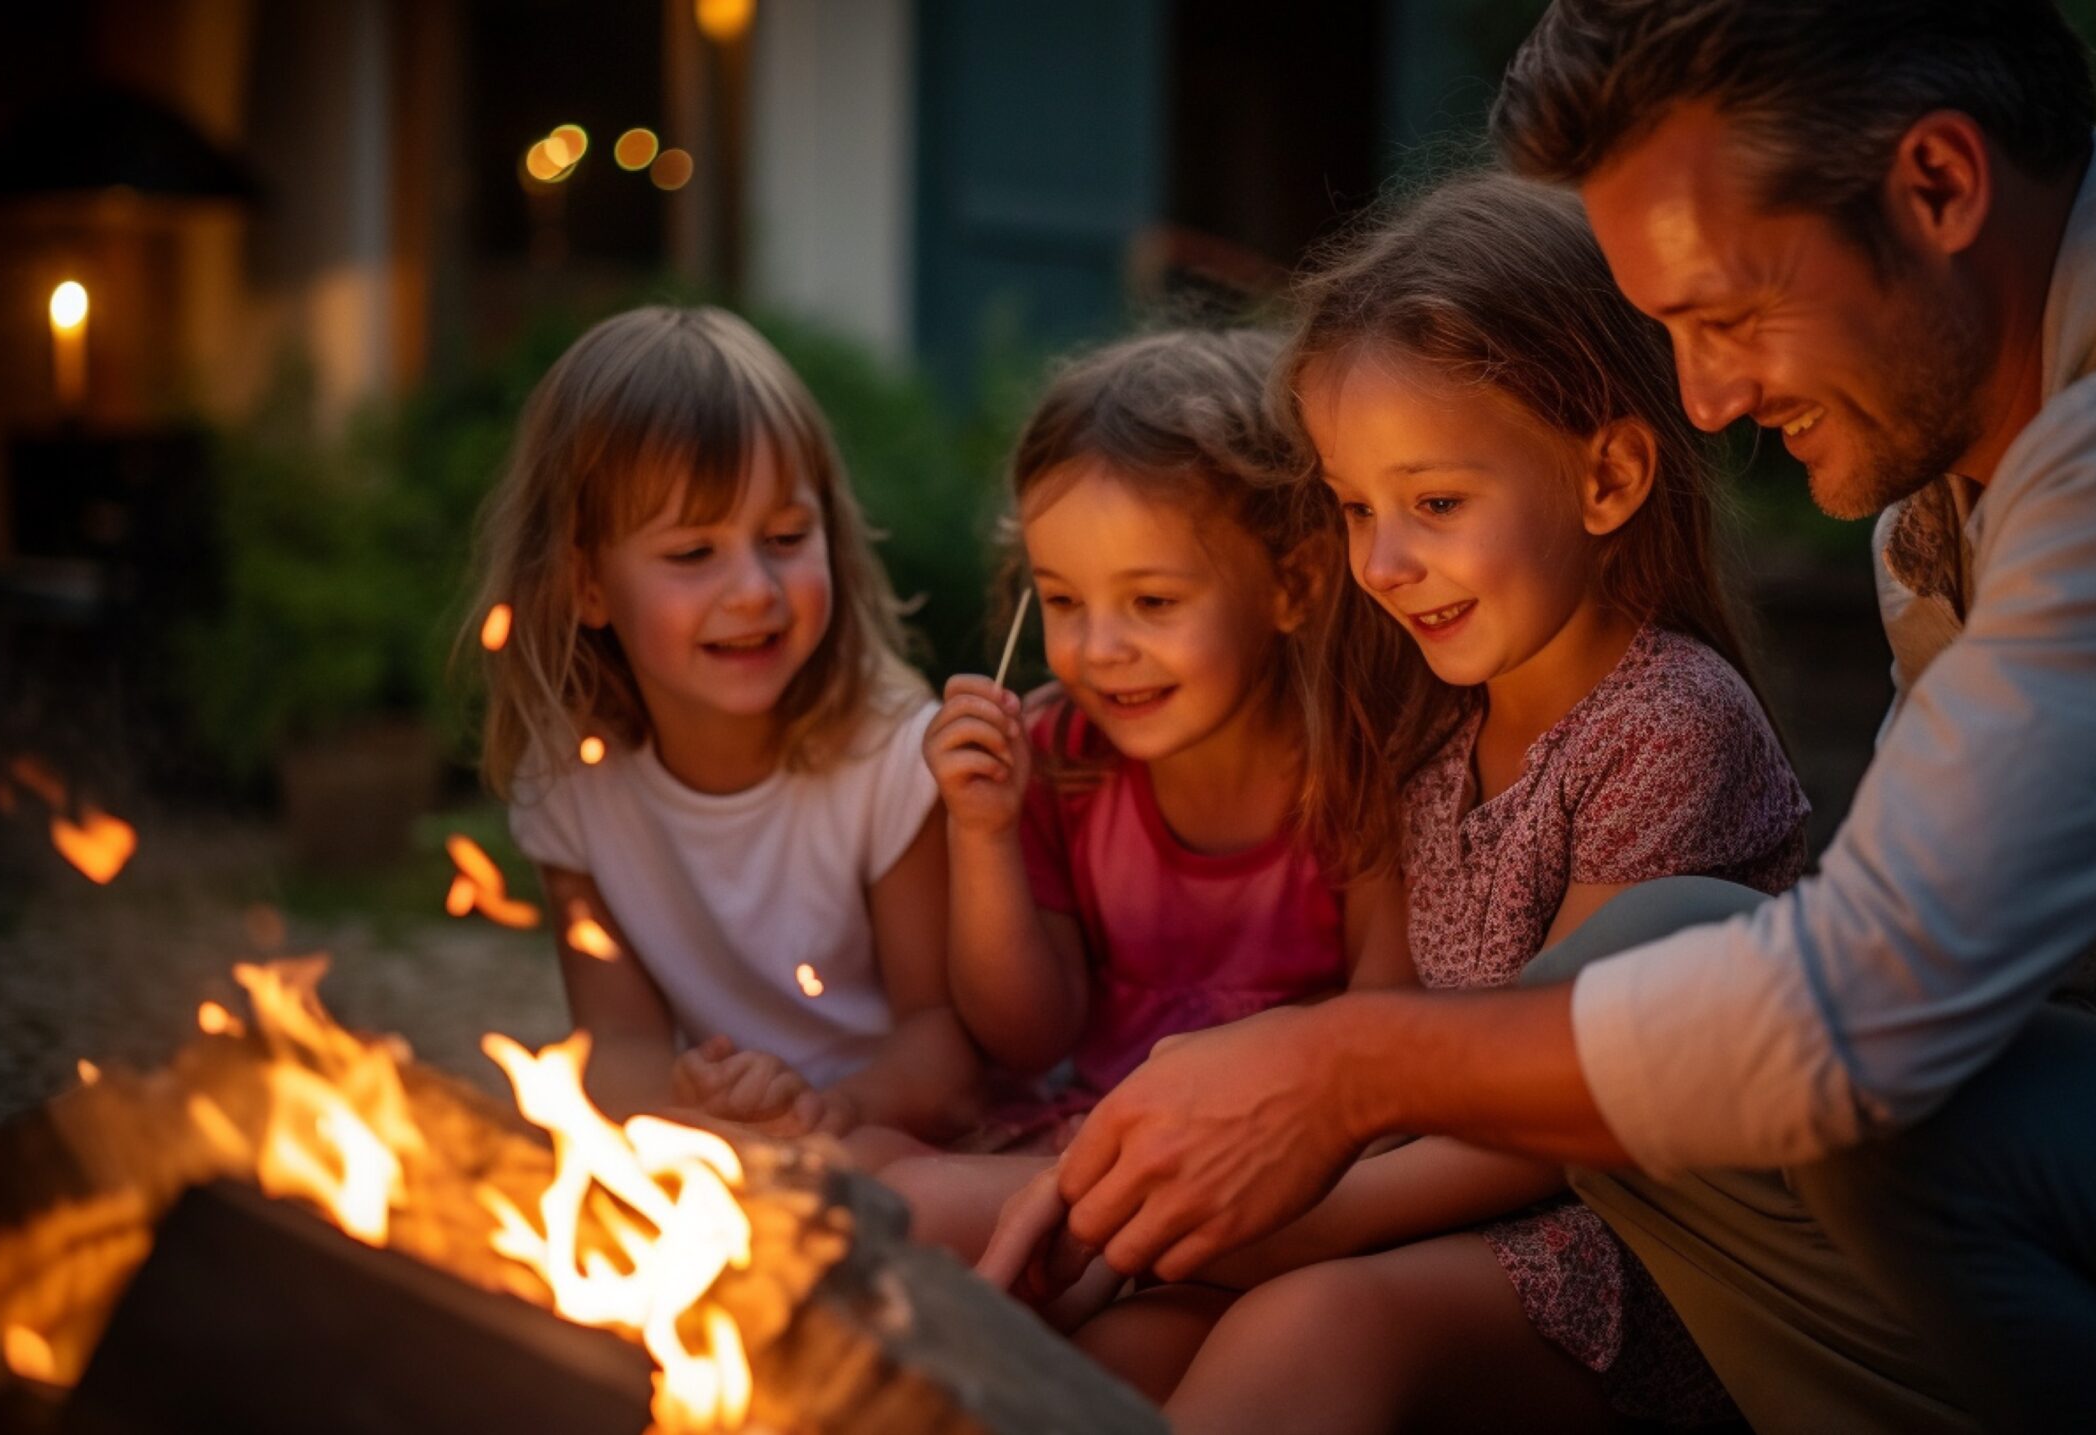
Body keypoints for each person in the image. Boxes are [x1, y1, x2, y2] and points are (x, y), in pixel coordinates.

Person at [1029, 3, 2096, 1431]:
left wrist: (1341, 1067)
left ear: (1937, 181)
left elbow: (1864, 1010)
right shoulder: (1954, 464)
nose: (1700, 398)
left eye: (1730, 310)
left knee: (1755, 1034)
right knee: (1670, 982)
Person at [989, 175, 1807, 1432]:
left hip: (1647, 1248)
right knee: (1127, 1340)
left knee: (1316, 1324)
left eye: (1433, 504)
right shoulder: (1432, 722)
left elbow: (1569, 1114)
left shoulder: (1671, 727)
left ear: (1609, 476)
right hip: (1437, 1204)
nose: (1382, 562)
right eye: (1357, 507)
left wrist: (1309, 1224)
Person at [875, 329, 1412, 1260]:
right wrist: (983, 832)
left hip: (1280, 1182)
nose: (1098, 648)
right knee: (854, 1163)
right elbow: (1027, 1035)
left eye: (1153, 602)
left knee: (902, 1210)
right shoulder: (1055, 758)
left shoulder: (1359, 770)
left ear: (1295, 584)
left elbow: (1391, 1032)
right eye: (1064, 600)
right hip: (1082, 1132)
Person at [470, 305, 978, 1142]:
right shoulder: (571, 782)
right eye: (692, 553)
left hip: (894, 1130)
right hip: (727, 1148)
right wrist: (682, 1097)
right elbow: (621, 1039)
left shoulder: (888, 759)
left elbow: (946, 1051)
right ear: (586, 584)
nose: (754, 590)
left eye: (785, 536)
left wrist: (828, 1111)